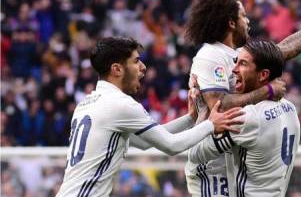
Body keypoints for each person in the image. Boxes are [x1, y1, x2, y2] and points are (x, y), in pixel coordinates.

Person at [184, 0, 301, 197]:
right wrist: (266, 92)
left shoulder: (238, 55)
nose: (249, 21)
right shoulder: (210, 56)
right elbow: (218, 105)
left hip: (233, 160)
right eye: (244, 16)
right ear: (231, 23)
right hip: (212, 172)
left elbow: (285, 49)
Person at [55, 37, 244, 197]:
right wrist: (211, 124)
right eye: (136, 61)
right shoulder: (121, 104)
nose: (143, 67)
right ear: (117, 69)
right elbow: (171, 145)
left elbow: (145, 142)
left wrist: (190, 118)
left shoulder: (87, 104)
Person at [188, 40, 300, 197]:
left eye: (243, 64)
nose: (234, 70)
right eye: (236, 62)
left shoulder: (246, 118)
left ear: (263, 75)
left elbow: (195, 154)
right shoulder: (290, 108)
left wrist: (203, 107)